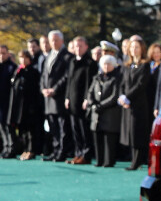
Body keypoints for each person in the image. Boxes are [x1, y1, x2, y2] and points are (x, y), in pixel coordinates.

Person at [40, 30, 73, 162]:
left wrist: (54, 89)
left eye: (56, 40)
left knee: (62, 127)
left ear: (62, 41)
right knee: (53, 127)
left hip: (59, 97)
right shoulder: (49, 56)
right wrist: (43, 89)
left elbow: (66, 76)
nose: (53, 43)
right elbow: (44, 75)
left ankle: (62, 152)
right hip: (48, 98)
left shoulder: (67, 56)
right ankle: (55, 150)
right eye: (51, 40)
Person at [118, 36, 150, 170]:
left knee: (138, 132)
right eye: (132, 47)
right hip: (127, 105)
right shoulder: (127, 65)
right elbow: (122, 83)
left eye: (136, 47)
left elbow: (140, 84)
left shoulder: (145, 65)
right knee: (130, 132)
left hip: (139, 104)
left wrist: (128, 97)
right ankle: (133, 158)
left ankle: (137, 160)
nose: (134, 50)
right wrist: (121, 96)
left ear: (142, 49)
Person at [65, 36, 98, 164]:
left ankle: (86, 155)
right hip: (72, 100)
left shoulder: (90, 63)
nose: (77, 48)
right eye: (75, 46)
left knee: (84, 130)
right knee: (75, 130)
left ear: (86, 47)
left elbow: (89, 84)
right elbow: (69, 81)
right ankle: (78, 153)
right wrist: (67, 97)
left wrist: (87, 99)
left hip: (83, 102)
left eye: (80, 46)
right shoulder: (72, 61)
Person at [86, 55, 122, 167]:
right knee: (97, 138)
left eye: (108, 64)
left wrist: (101, 105)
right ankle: (99, 160)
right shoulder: (97, 77)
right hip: (96, 113)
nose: (106, 66)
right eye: (104, 64)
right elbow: (90, 92)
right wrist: (92, 103)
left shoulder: (116, 77)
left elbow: (114, 96)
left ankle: (109, 160)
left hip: (110, 113)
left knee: (109, 139)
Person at [8, 50, 44, 161]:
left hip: (30, 105)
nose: (23, 60)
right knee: (23, 130)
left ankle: (31, 150)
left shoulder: (33, 72)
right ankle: (25, 149)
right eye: (21, 58)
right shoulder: (19, 71)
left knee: (31, 131)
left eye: (25, 57)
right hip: (19, 107)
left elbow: (34, 90)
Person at [0, 45, 17, 158]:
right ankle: (5, 147)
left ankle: (11, 148)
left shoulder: (12, 67)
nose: (1, 55)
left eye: (3, 53)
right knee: (0, 125)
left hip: (8, 102)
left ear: (8, 54)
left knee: (9, 126)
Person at [147, 42, 161, 123]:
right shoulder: (149, 65)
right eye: (154, 52)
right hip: (148, 98)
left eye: (158, 52)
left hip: (156, 97)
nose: (156, 55)